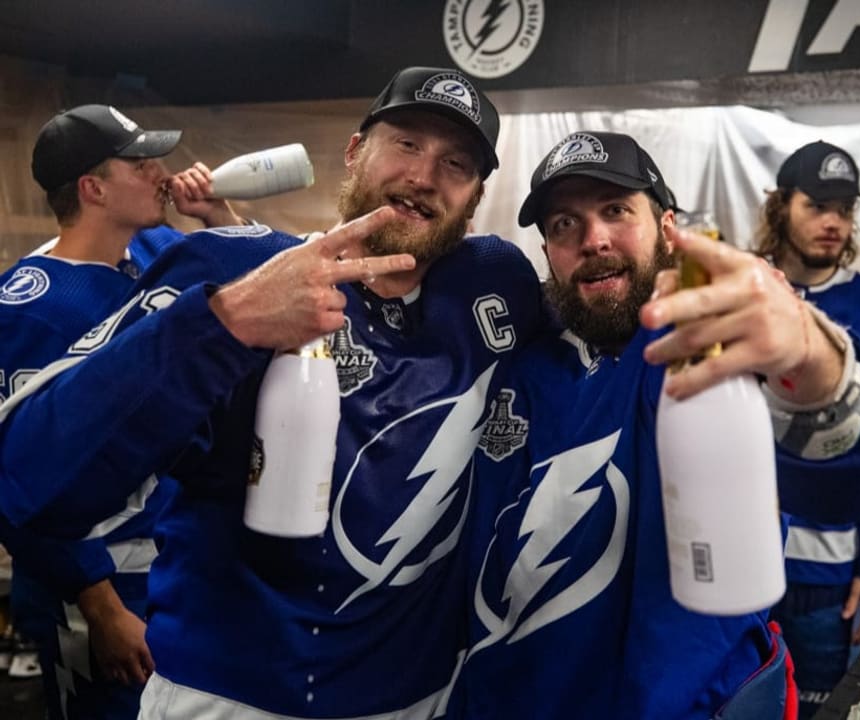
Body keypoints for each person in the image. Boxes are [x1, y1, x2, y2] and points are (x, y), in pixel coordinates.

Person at [0, 66, 546, 719]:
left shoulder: (494, 286)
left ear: (475, 194)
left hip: (421, 696)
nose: (424, 176)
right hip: (230, 697)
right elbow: (30, 477)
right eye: (405, 144)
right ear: (353, 152)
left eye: (455, 163)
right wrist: (223, 322)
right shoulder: (237, 269)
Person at [443, 131, 860, 719]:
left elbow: (844, 484)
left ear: (666, 228)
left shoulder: (713, 341)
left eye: (615, 210)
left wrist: (811, 358)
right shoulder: (514, 361)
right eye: (563, 224)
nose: (593, 239)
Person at [0, 104, 247, 719]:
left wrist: (217, 215)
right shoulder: (29, 306)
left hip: (171, 575)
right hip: (98, 593)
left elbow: (252, 269)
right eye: (141, 164)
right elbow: (16, 477)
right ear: (93, 188)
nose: (162, 174)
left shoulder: (148, 256)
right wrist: (100, 605)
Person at [754, 140, 860, 718]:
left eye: (845, 209)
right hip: (735, 562)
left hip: (828, 578)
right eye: (817, 205)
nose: (833, 222)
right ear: (782, 205)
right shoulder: (741, 297)